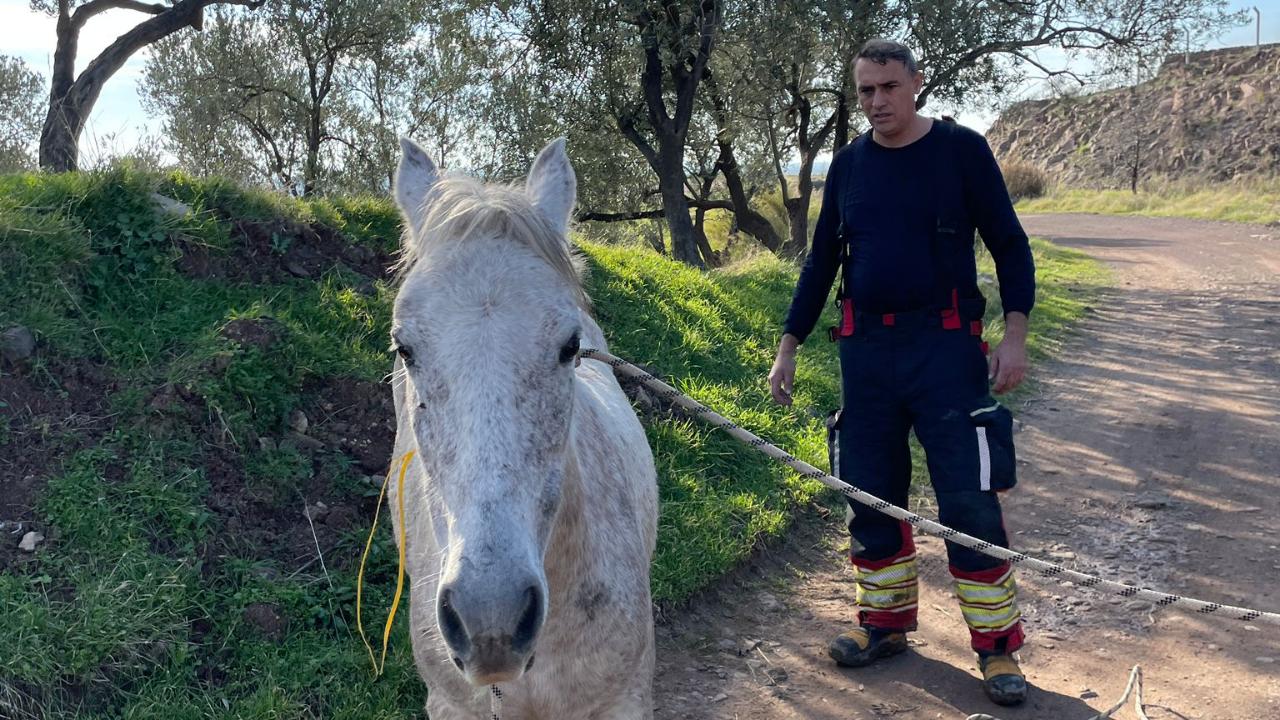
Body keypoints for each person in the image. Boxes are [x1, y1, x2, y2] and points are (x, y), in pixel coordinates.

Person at [767, 38, 1035, 707]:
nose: (877, 101)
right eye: (865, 90)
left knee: (969, 501)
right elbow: (820, 264)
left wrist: (1016, 336)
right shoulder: (850, 167)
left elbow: (1009, 242)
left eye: (888, 87)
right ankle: (883, 627)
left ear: (916, 84)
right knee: (870, 495)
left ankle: (997, 650)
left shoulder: (962, 151)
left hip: (947, 352)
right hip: (867, 359)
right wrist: (789, 344)